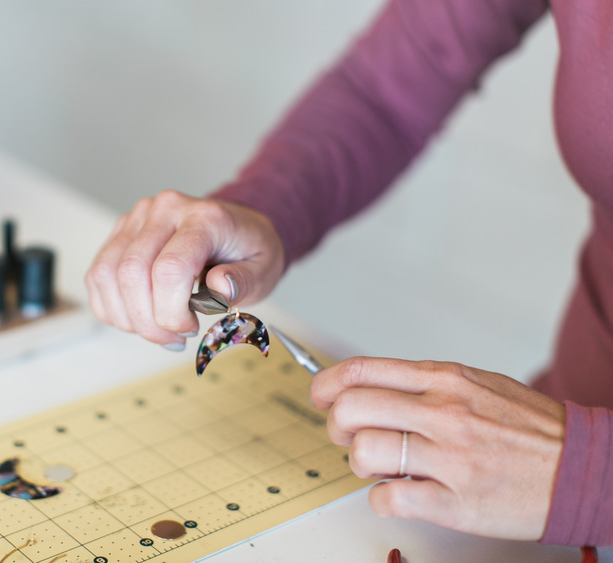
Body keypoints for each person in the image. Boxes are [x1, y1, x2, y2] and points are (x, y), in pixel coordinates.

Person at [85, 0, 612, 547]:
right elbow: (383, 93)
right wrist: (261, 210)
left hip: (548, 479)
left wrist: (588, 478)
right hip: (542, 464)